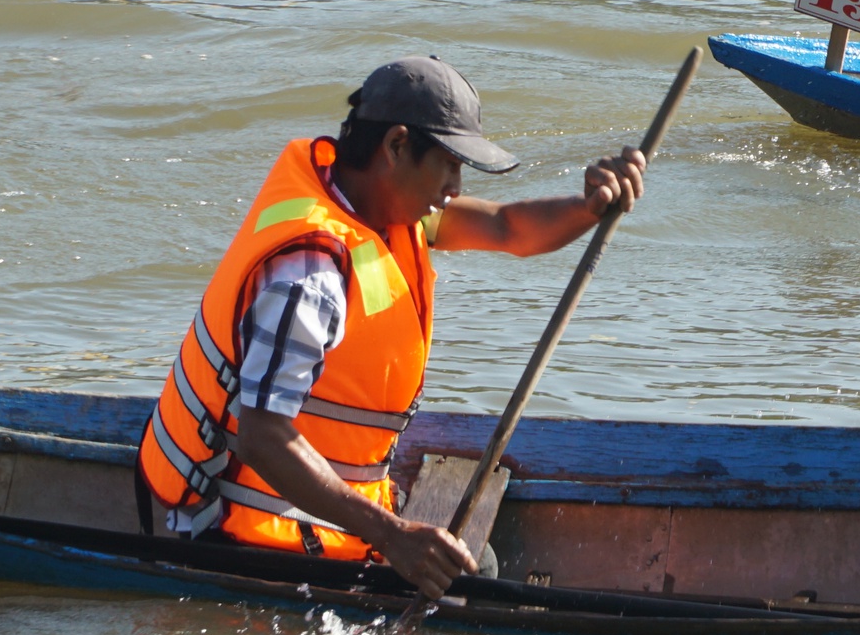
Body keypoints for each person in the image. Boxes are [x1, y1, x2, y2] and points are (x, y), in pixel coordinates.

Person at [135, 56, 645, 599]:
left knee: (479, 567)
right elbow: (263, 437)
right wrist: (394, 536)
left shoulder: (388, 208)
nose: (455, 185)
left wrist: (590, 207)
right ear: (397, 146)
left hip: (331, 517)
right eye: (448, 163)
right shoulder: (309, 277)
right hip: (240, 535)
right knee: (469, 583)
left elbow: (507, 228)